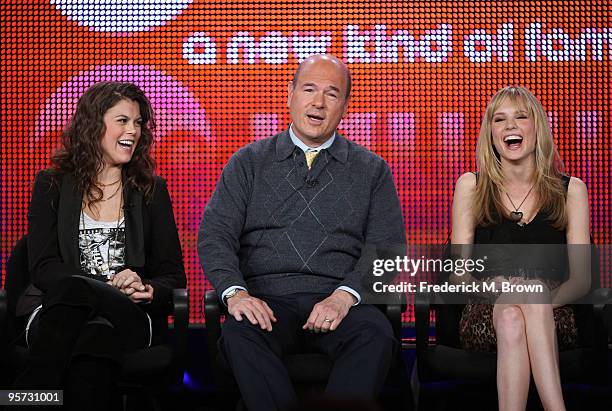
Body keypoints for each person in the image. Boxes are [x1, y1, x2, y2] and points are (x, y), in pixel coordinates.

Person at [198, 54, 406, 411]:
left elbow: (387, 251)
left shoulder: (372, 170)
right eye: (309, 89)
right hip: (267, 301)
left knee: (375, 333)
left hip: (338, 302)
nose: (318, 102)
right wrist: (236, 294)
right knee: (239, 333)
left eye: (332, 93)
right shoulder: (248, 162)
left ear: (345, 105)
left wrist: (345, 296)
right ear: (290, 94)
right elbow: (215, 236)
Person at [14, 81, 186, 410]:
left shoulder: (151, 191)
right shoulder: (51, 185)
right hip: (58, 313)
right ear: (94, 124)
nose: (133, 131)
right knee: (94, 341)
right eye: (122, 120)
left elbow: (173, 275)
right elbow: (44, 268)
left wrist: (146, 288)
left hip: (130, 314)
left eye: (138, 123)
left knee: (82, 303)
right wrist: (101, 286)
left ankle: (27, 396)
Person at [451, 86, 590, 411]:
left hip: (555, 312)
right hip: (486, 308)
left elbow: (581, 279)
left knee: (521, 311)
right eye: (499, 120)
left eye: (520, 117)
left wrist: (537, 299)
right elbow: (459, 276)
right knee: (511, 314)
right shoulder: (470, 186)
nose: (510, 126)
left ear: (536, 127)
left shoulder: (572, 191)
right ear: (491, 134)